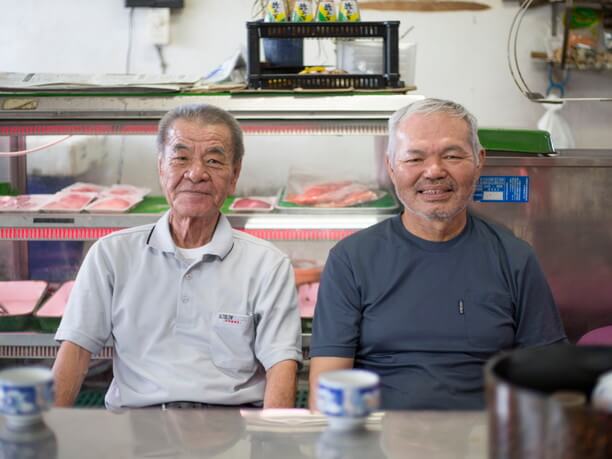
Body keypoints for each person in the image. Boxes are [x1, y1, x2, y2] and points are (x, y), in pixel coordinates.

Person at [308, 98, 567, 410]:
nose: (433, 171)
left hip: (484, 441)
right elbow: (328, 391)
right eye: (414, 158)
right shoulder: (351, 259)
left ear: (479, 160)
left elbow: (549, 377)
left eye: (452, 155)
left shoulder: (514, 258)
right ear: (391, 167)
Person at [53, 104, 302, 410]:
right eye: (181, 158)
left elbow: (281, 365)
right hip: (137, 426)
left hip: (232, 427)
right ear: (161, 168)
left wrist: (273, 445)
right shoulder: (111, 254)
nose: (196, 173)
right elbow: (75, 352)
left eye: (213, 160)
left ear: (234, 174)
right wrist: (40, 435)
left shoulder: (267, 264)